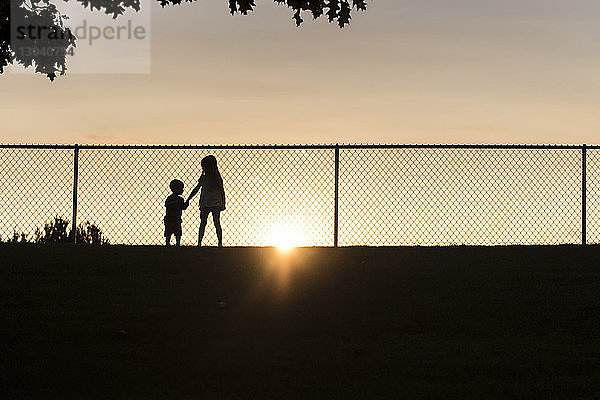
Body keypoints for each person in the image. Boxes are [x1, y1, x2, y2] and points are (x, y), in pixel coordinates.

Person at [186, 155, 226, 247]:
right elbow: (197, 188)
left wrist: (223, 203)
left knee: (214, 222)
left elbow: (221, 191)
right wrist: (188, 199)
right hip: (207, 202)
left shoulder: (216, 178)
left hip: (214, 202)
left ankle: (219, 243)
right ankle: (200, 242)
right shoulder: (204, 177)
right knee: (204, 223)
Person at [164, 179, 189, 246]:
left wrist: (186, 204)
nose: (182, 190)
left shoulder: (181, 199)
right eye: (181, 188)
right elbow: (167, 204)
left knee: (178, 233)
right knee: (168, 233)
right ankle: (167, 243)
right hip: (170, 218)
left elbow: (183, 207)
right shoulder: (170, 198)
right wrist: (175, 203)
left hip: (177, 219)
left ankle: (178, 243)